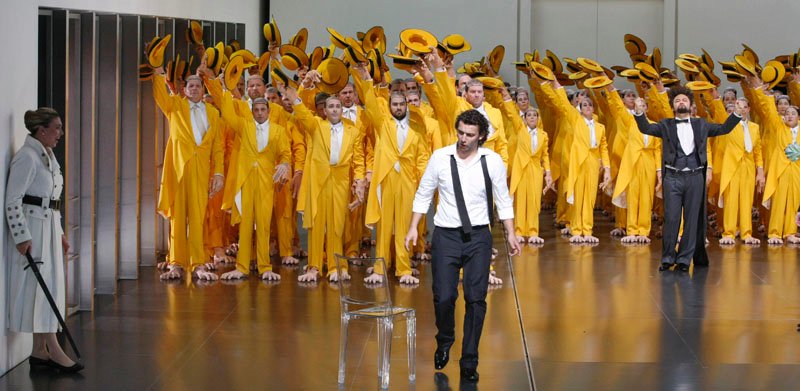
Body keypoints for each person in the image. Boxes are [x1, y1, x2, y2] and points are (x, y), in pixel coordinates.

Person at [404, 110, 520, 383]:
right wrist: (413, 227)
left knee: (475, 298)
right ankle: (445, 338)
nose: (463, 139)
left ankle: (469, 359)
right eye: (460, 133)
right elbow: (423, 193)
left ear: (481, 136)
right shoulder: (440, 158)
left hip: (479, 237)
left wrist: (511, 233)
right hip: (446, 235)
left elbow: (503, 200)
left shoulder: (492, 161)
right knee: (443, 296)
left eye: (469, 135)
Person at [5, 108, 83, 372]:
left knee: (50, 285)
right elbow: (12, 200)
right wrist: (21, 236)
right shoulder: (26, 157)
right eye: (57, 128)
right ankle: (53, 347)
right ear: (42, 130)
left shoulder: (47, 156)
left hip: (48, 229)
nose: (60, 133)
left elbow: (53, 202)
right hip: (33, 231)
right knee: (42, 288)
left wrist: (59, 233)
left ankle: (40, 352)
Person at [633, 87, 742, 271]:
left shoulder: (702, 124)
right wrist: (638, 112)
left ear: (691, 105)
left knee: (692, 220)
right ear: (673, 106)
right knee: (672, 218)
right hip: (673, 177)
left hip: (695, 177)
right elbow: (645, 128)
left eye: (684, 100)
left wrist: (737, 114)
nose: (681, 102)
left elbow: (724, 129)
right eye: (677, 101)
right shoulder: (665, 124)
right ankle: (668, 258)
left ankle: (684, 260)